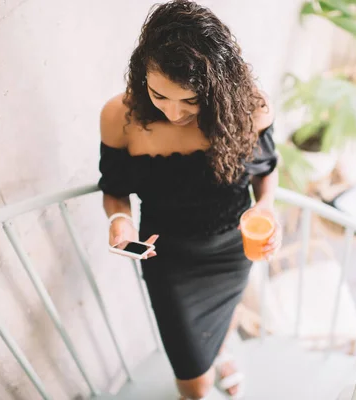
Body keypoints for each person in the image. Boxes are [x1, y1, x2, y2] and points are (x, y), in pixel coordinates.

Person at [98, 1, 281, 399]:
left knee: (225, 319)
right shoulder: (120, 116)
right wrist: (120, 223)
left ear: (216, 86)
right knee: (194, 385)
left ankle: (220, 352)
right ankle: (206, 367)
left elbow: (266, 173)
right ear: (140, 71)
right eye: (159, 94)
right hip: (169, 260)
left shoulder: (250, 108)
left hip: (233, 249)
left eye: (190, 100)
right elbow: (114, 189)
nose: (174, 111)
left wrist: (266, 207)